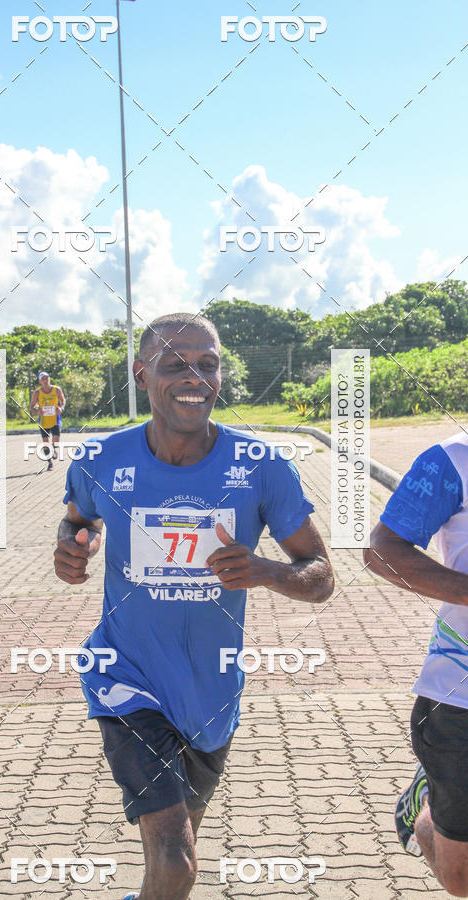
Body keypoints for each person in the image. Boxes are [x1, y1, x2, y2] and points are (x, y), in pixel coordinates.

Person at [53, 312, 334, 900]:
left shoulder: (260, 466)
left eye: (208, 365)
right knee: (178, 861)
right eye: (175, 363)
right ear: (141, 373)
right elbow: (77, 522)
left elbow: (321, 575)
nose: (195, 378)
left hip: (211, 693)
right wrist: (74, 549)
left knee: (172, 860)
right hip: (124, 678)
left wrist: (266, 571)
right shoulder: (101, 458)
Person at [365, 432, 468, 896]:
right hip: (459, 695)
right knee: (461, 879)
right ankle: (425, 801)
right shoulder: (452, 459)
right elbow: (383, 551)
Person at [30, 371, 65, 470]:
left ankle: (53, 449)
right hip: (44, 421)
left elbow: (63, 401)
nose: (45, 380)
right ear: (40, 381)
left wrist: (61, 408)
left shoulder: (56, 390)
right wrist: (37, 412)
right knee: (46, 443)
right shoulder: (37, 393)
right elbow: (31, 407)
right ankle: (50, 463)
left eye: (47, 378)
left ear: (49, 379)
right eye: (43, 379)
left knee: (56, 441)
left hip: (55, 419)